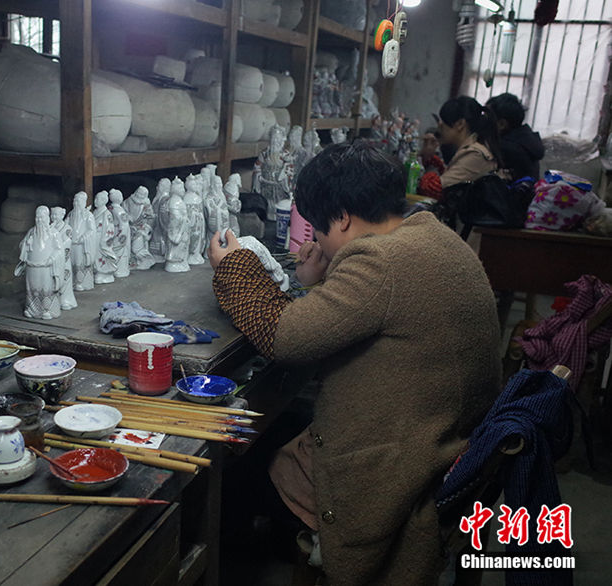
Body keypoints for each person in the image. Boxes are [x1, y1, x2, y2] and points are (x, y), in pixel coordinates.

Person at [208, 141, 502, 584]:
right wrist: (323, 277)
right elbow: (377, 305)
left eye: (318, 229)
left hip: (396, 472)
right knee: (283, 424)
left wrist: (235, 267)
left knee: (234, 463)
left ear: (342, 216)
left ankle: (244, 558)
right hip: (439, 441)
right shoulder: (432, 235)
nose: (317, 241)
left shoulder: (381, 262)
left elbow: (284, 337)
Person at [419, 96, 501, 199]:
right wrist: (429, 157)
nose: (439, 126)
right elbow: (450, 177)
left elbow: (434, 189)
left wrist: (429, 171)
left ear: (460, 124)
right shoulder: (472, 149)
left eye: (444, 122)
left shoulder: (475, 155)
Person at [486, 92, 545, 182]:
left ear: (502, 124)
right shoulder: (525, 140)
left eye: (487, 118)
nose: (482, 122)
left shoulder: (508, 147)